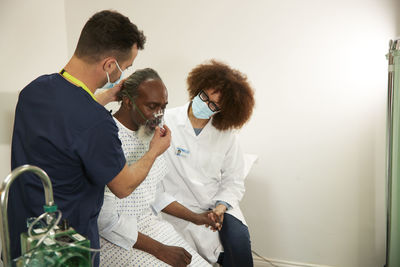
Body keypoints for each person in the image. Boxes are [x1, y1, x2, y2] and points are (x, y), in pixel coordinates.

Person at [8, 10, 171, 266]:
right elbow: (123, 186)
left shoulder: (33, 90)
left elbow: (67, 118)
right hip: (66, 242)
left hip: (22, 228)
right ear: (108, 64)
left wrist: (102, 97)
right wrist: (154, 150)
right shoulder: (97, 122)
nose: (121, 75)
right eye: (124, 67)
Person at [98, 68, 212, 267]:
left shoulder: (149, 135)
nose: (159, 115)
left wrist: (196, 218)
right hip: (114, 239)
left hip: (149, 227)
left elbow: (154, 194)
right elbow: (105, 221)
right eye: (152, 106)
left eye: (163, 107)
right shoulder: (107, 138)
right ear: (127, 101)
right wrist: (160, 250)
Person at [160, 60, 255, 266]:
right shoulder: (165, 121)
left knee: (239, 245)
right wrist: (195, 216)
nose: (205, 104)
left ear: (223, 110)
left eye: (214, 105)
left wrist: (220, 207)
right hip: (178, 207)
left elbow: (233, 180)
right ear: (197, 87)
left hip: (216, 206)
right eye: (204, 96)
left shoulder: (227, 135)